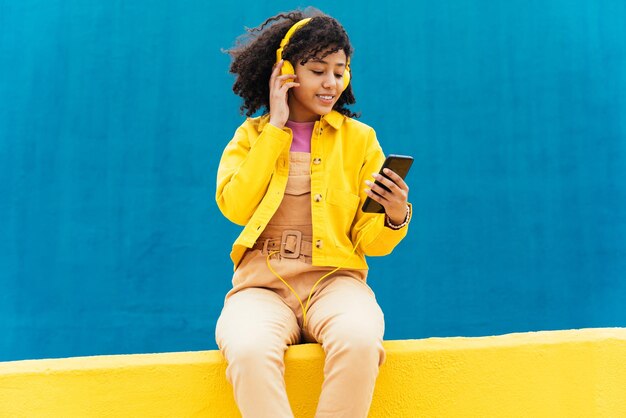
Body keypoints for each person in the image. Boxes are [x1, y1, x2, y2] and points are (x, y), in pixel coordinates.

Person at [214, 8, 412, 418]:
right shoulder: (250, 137)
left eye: (340, 71)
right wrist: (276, 130)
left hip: (335, 282)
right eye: (318, 70)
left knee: (360, 340)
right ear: (285, 72)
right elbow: (234, 207)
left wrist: (394, 215)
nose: (331, 83)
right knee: (248, 350)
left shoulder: (360, 140)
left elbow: (369, 243)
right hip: (262, 286)